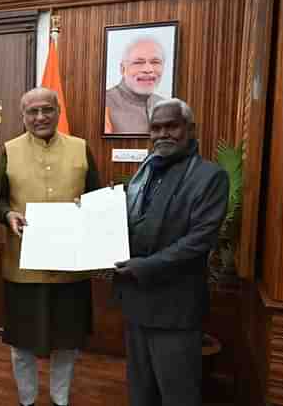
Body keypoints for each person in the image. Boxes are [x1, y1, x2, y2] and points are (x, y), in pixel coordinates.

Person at [113, 98, 229, 406]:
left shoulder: (209, 177)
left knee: (178, 396)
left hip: (175, 311)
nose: (163, 134)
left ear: (190, 130)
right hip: (136, 303)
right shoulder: (145, 173)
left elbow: (198, 241)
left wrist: (145, 266)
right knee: (140, 394)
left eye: (171, 126)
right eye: (156, 128)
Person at [0, 87, 100, 406]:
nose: (40, 117)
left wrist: (90, 208)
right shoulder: (10, 150)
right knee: (22, 343)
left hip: (71, 269)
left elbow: (96, 197)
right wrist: (8, 213)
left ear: (57, 112)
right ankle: (26, 400)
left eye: (47, 110)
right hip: (23, 267)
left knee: (67, 343)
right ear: (23, 116)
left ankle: (60, 399)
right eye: (32, 112)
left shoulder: (81, 148)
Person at [104, 37, 166, 134]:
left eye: (155, 62)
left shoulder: (166, 106)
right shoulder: (103, 104)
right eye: (138, 62)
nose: (148, 69)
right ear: (122, 69)